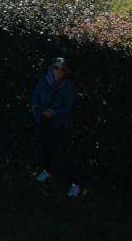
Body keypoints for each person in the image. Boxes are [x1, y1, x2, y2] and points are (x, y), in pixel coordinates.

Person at [31, 57, 80, 197]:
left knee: (63, 152)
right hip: (43, 120)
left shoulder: (68, 86)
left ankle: (73, 184)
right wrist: (36, 107)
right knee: (45, 147)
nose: (58, 71)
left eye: (62, 69)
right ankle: (47, 173)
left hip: (60, 123)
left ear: (66, 72)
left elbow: (69, 106)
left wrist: (55, 112)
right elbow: (36, 95)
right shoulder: (43, 80)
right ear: (51, 68)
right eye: (56, 68)